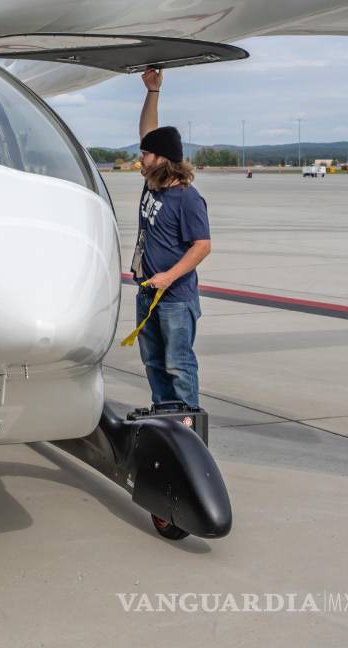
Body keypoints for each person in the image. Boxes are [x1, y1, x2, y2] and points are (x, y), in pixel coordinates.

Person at [132, 68, 212, 408]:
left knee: (178, 365)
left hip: (175, 298)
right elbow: (150, 133)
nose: (141, 157)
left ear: (162, 160)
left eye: (146, 155)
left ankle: (188, 426)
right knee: (153, 364)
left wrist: (169, 276)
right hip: (148, 292)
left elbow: (203, 246)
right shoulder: (153, 185)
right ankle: (164, 419)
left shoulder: (187, 199)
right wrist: (153, 92)